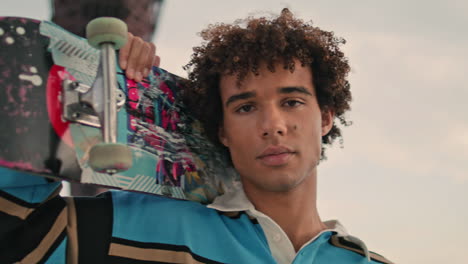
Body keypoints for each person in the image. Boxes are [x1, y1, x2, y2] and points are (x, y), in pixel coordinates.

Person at [0, 9, 393, 264]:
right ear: (221, 130)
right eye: (245, 107)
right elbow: (15, 238)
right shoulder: (132, 228)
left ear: (325, 117)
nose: (272, 125)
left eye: (291, 102)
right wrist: (82, 83)